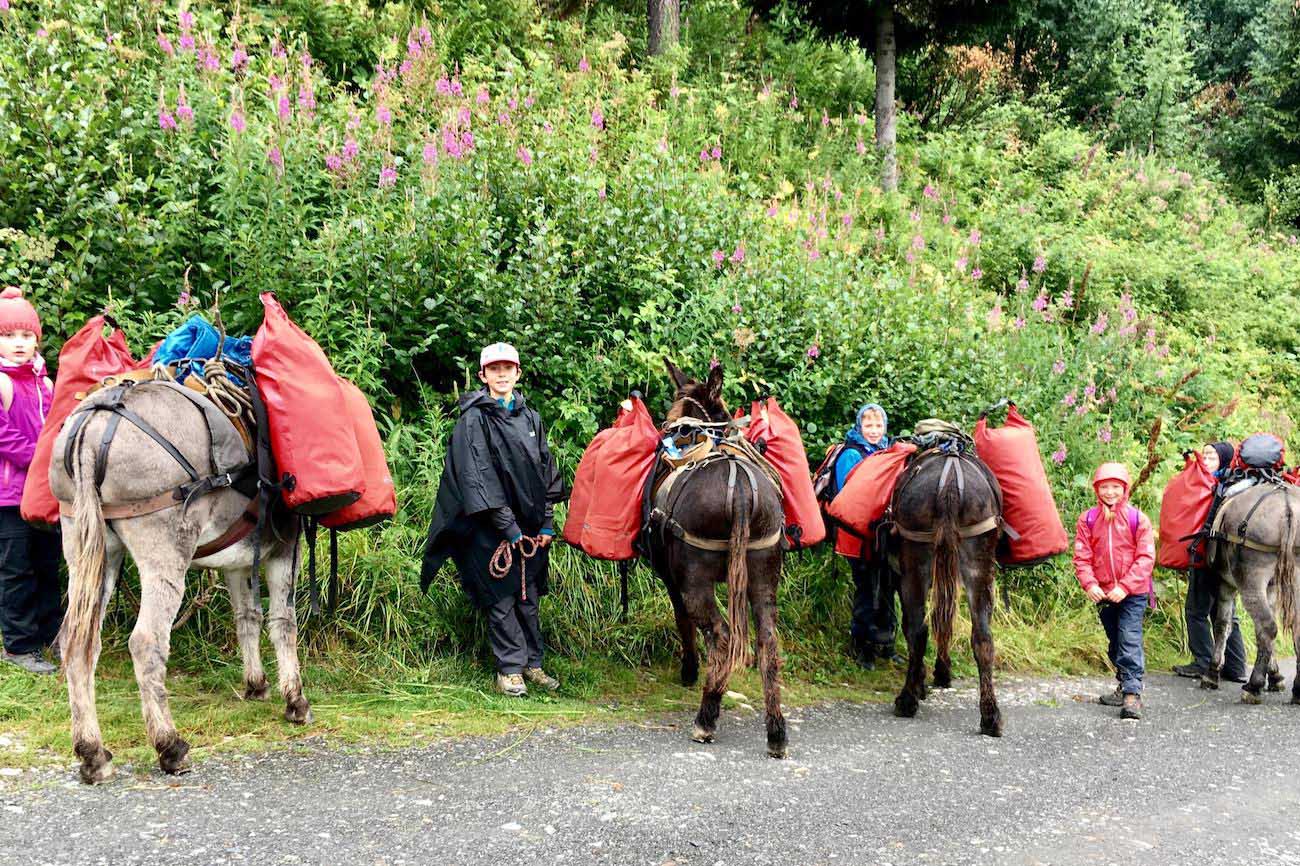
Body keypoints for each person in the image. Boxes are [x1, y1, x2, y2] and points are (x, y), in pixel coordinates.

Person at [421, 343, 565, 697]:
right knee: (501, 598)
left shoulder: (530, 417)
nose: (502, 375)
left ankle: (533, 664)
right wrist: (510, 530)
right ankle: (510, 670)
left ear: (518, 373)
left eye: (508, 368)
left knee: (528, 597)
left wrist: (546, 523)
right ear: (483, 375)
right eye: (494, 369)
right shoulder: (474, 419)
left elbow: (546, 469)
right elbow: (478, 479)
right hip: (489, 530)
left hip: (530, 530)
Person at [0, 287, 61, 675]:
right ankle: (19, 646)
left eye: (25, 336)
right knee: (16, 570)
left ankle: (50, 637)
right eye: (7, 336)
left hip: (43, 494)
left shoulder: (46, 383)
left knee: (47, 565)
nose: (18, 344)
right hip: (7, 496)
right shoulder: (2, 382)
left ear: (36, 339)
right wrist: (41, 459)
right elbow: (3, 437)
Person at [1073, 462, 1156, 720]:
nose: (1110, 492)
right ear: (1097, 490)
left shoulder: (1137, 519)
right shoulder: (1087, 519)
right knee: (1115, 642)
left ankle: (1132, 696)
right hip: (1104, 593)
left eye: (1115, 487)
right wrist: (1090, 584)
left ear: (1125, 489)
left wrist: (1126, 586)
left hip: (1133, 593)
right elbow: (1081, 556)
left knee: (1129, 638)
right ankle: (1123, 684)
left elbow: (1145, 558)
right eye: (1104, 487)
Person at [1173, 441, 1247, 682]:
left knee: (1196, 610)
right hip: (1231, 561)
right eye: (1204, 454)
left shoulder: (1207, 486)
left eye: (1211, 456)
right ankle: (1236, 668)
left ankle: (1203, 662)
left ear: (1224, 460)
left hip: (1206, 557)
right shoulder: (1236, 486)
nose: (1205, 460)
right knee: (1225, 612)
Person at [831, 403, 897, 669]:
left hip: (885, 535)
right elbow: (850, 496)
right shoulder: (851, 454)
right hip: (858, 535)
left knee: (890, 588)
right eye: (868, 425)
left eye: (878, 425)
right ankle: (863, 647)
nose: (874, 431)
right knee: (867, 589)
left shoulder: (888, 453)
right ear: (860, 427)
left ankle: (886, 644)